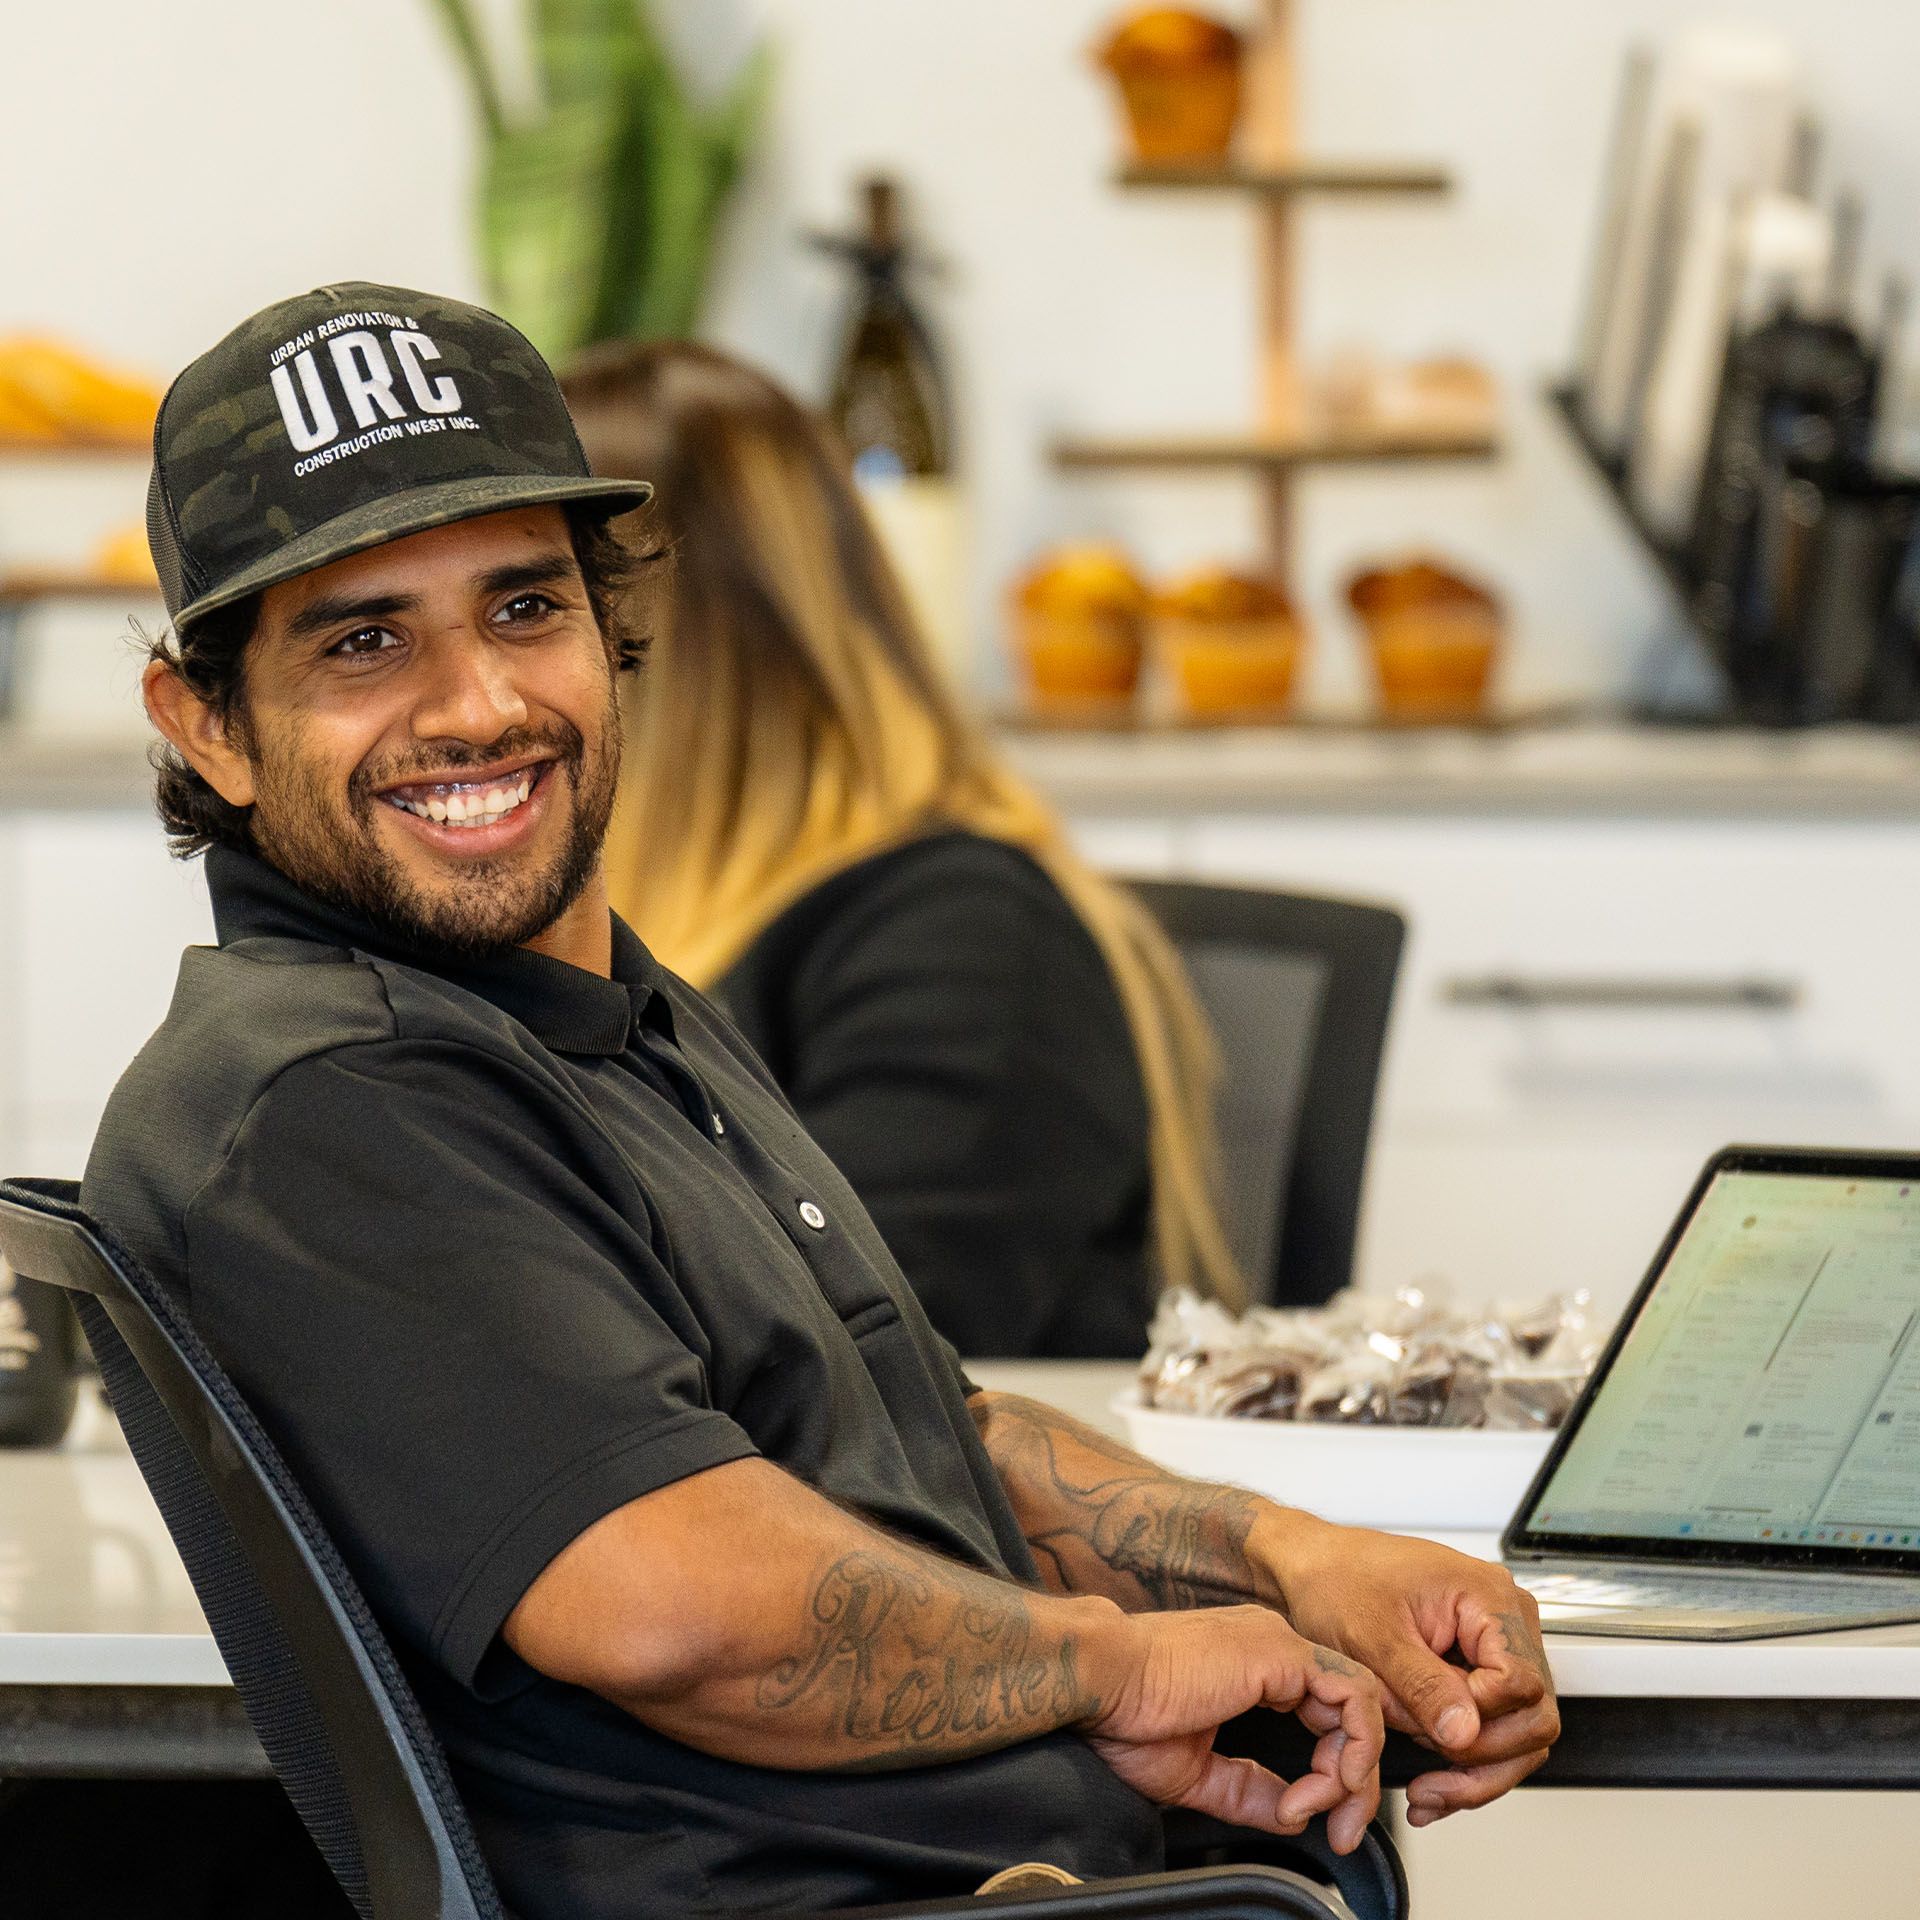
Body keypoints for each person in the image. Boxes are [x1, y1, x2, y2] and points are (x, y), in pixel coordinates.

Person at [87, 282, 1558, 1920]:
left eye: (526, 607)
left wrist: (1287, 1552)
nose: (481, 703)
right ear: (207, 726)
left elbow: (916, 1431)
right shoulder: (333, 1098)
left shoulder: (591, 1010)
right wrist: (1115, 1665)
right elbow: (672, 1604)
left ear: (614, 630)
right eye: (364, 641)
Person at [561, 341, 1239, 1358]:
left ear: (634, 633)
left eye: (523, 607)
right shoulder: (586, 941)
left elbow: (834, 1354)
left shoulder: (972, 943)